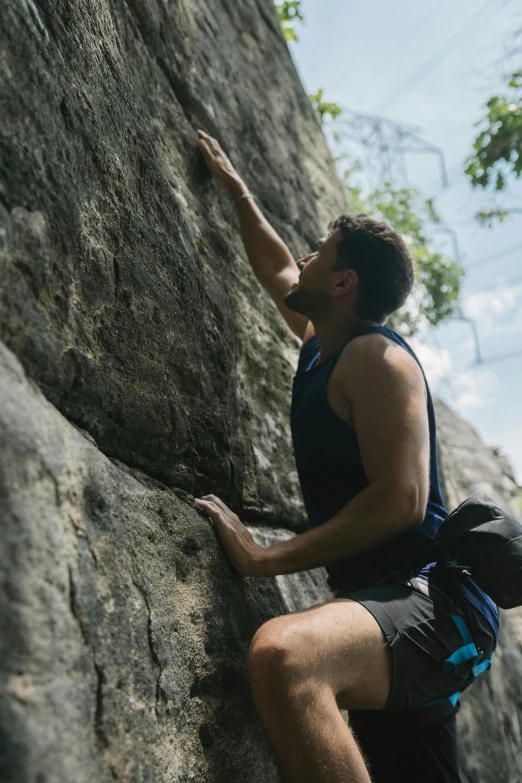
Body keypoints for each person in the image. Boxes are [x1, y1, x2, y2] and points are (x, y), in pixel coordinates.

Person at [194, 130, 499, 783]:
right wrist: (235, 187)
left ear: (343, 281)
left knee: (285, 657)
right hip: (383, 614)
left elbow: (402, 499)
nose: (303, 255)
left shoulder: (378, 358)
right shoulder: (320, 340)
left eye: (320, 250)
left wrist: (263, 558)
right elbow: (276, 268)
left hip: (436, 605)